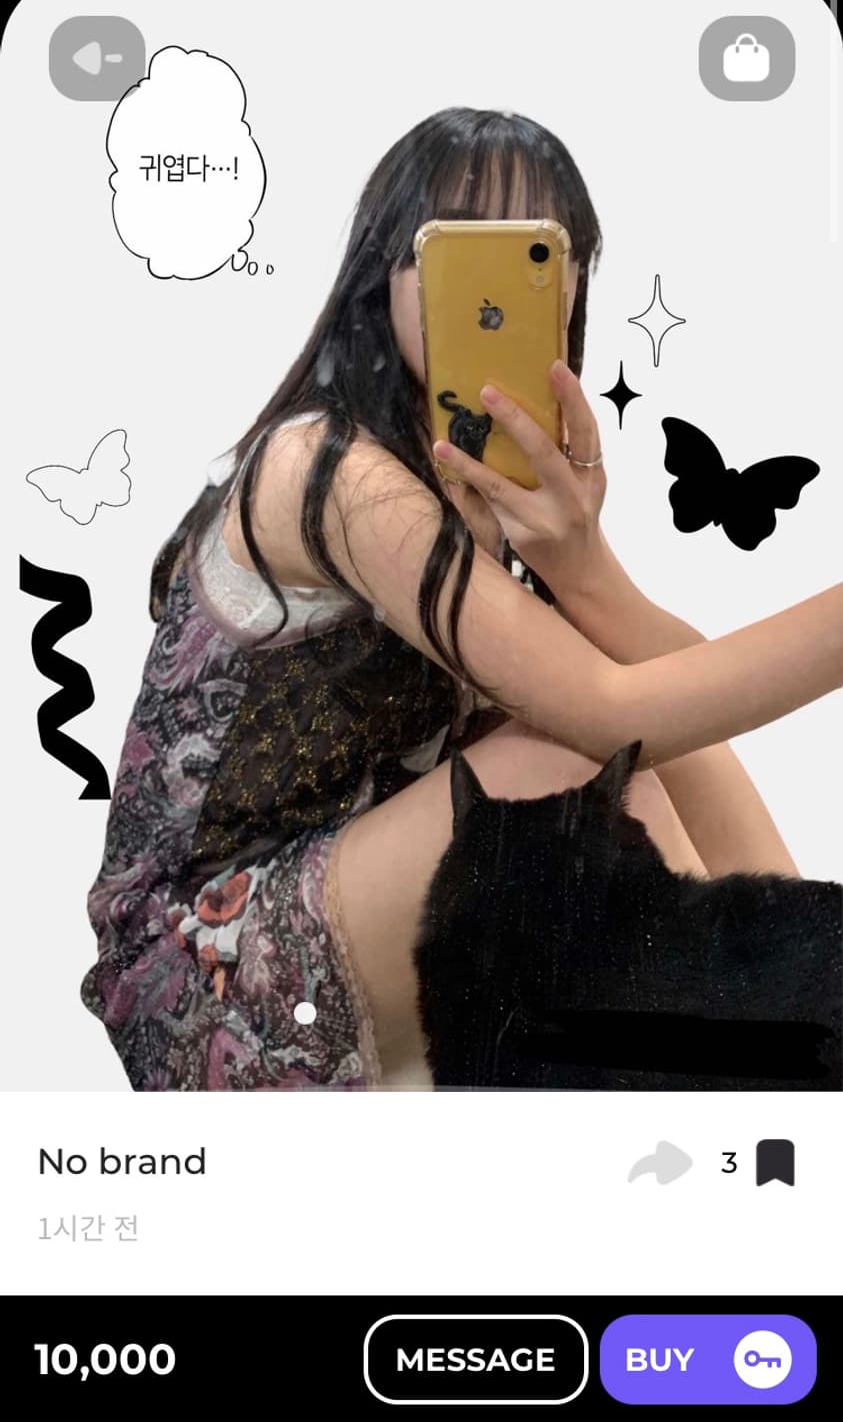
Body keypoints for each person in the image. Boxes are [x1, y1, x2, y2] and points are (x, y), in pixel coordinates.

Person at [81, 107, 843, 1092]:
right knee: (564, 769)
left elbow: (670, 700)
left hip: (351, 907)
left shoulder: (477, 488)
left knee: (635, 772)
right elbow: (610, 711)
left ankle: (801, 1028)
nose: (488, 298)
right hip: (192, 967)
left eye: (532, 254)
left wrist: (582, 564)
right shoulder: (331, 469)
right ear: (385, 274)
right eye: (453, 248)